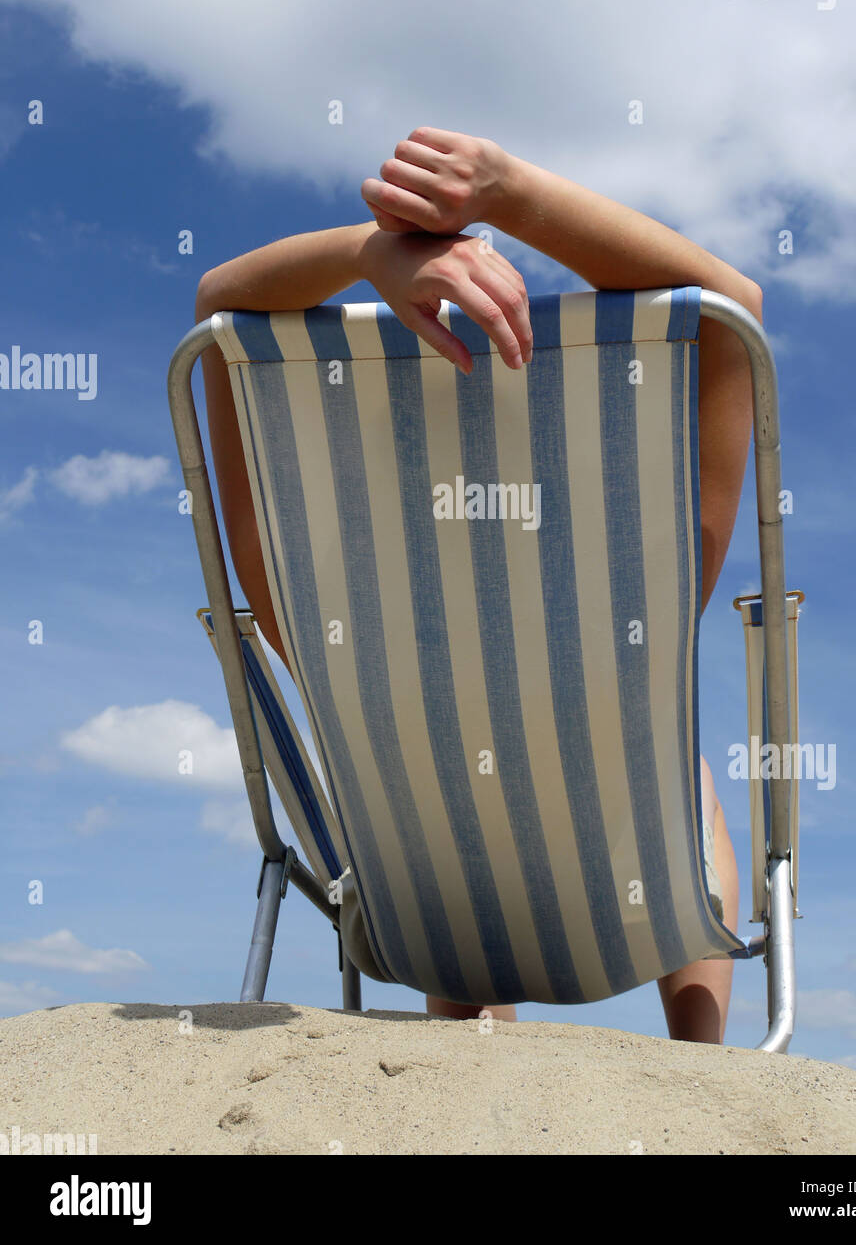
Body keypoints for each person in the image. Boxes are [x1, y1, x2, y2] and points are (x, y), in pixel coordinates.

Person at [194, 127, 763, 1045]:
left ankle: (472, 1033)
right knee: (678, 758)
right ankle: (702, 1053)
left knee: (440, 800)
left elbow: (217, 311)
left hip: (425, 923)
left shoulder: (305, 610)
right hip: (629, 903)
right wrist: (507, 191)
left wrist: (369, 253)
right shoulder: (640, 605)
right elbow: (730, 305)